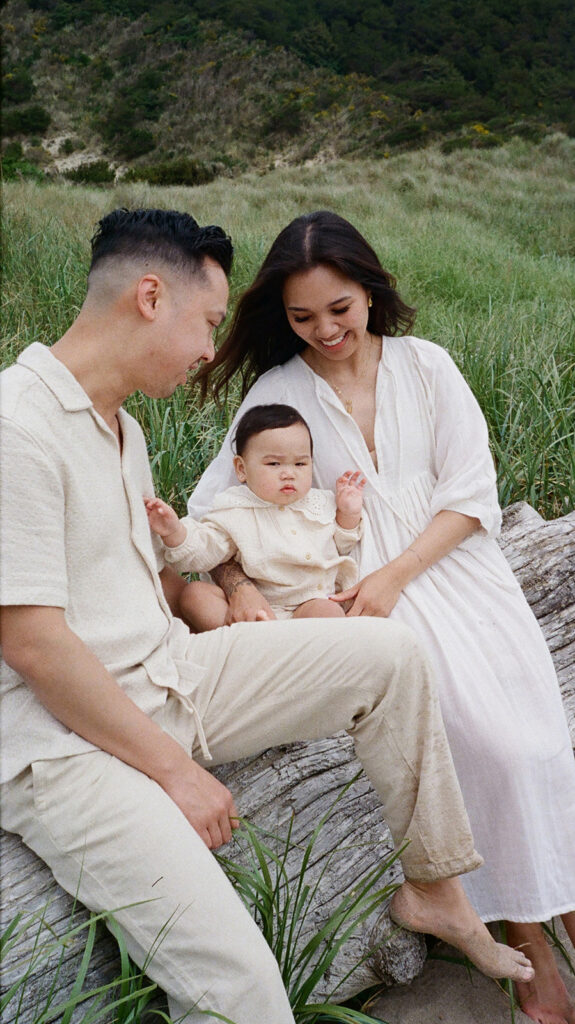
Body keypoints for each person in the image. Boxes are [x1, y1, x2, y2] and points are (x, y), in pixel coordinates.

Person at [0, 207, 536, 1024]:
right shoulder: (16, 425)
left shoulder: (123, 427)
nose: (210, 349)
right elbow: (33, 643)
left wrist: (234, 601)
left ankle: (435, 889)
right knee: (243, 997)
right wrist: (178, 774)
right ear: (150, 296)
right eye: (207, 321)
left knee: (386, 653)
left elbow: (153, 586)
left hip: (170, 675)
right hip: (67, 743)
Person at [189, 210, 575, 1024]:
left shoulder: (425, 365)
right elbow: (213, 509)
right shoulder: (278, 391)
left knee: (537, 742)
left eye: (339, 308)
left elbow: (470, 494)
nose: (324, 329)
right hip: (351, 591)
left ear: (368, 289)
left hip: (453, 570)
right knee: (479, 743)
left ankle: (560, 905)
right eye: (302, 317)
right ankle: (526, 941)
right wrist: (238, 585)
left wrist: (399, 572)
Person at [145, 403, 366, 630]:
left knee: (328, 612)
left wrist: (348, 513)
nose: (289, 473)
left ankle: (279, 653)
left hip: (310, 601)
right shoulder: (234, 509)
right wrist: (174, 532)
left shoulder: (321, 502)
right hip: (256, 610)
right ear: (241, 469)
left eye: (300, 463)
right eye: (274, 463)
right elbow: (206, 549)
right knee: (195, 595)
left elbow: (342, 543)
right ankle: (247, 646)